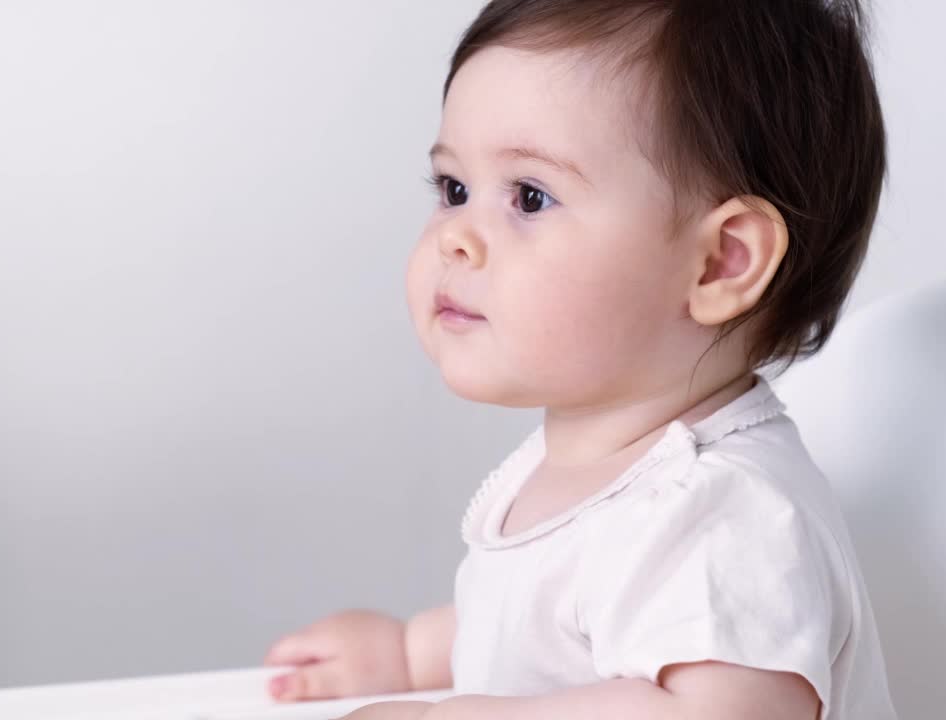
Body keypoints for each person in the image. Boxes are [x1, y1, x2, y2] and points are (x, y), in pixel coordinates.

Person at [265, 1, 895, 718]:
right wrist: (410, 652)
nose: (456, 239)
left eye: (529, 197)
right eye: (453, 190)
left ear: (720, 263)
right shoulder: (595, 466)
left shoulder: (723, 512)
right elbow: (544, 625)